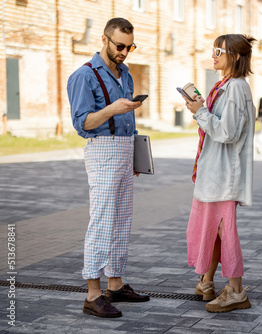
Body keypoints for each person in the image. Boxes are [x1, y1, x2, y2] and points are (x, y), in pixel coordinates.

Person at [67, 17, 150, 318]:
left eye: (130, 47)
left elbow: (128, 118)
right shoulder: (83, 76)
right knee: (101, 222)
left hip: (125, 149)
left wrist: (136, 156)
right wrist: (113, 108)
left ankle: (115, 283)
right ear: (104, 39)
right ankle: (92, 294)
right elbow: (82, 123)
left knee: (121, 220)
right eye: (120, 46)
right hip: (102, 150)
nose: (125, 53)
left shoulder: (125, 72)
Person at [182, 34, 256, 313]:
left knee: (225, 231)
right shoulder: (224, 85)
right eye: (213, 50)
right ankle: (207, 281)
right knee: (209, 231)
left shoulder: (236, 87)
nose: (213, 55)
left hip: (224, 175)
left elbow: (228, 132)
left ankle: (236, 290)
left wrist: (201, 112)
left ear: (235, 56)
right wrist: (201, 108)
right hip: (213, 172)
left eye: (219, 51)